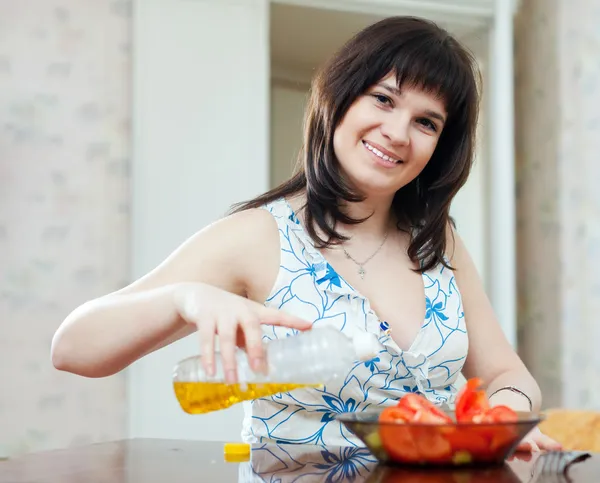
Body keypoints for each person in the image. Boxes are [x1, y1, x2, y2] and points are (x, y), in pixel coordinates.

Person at [51, 16, 560, 451]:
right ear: (339, 99)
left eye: (426, 122)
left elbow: (505, 375)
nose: (398, 133)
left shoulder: (437, 241)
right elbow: (73, 348)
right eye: (383, 99)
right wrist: (186, 297)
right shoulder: (259, 236)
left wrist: (504, 418)